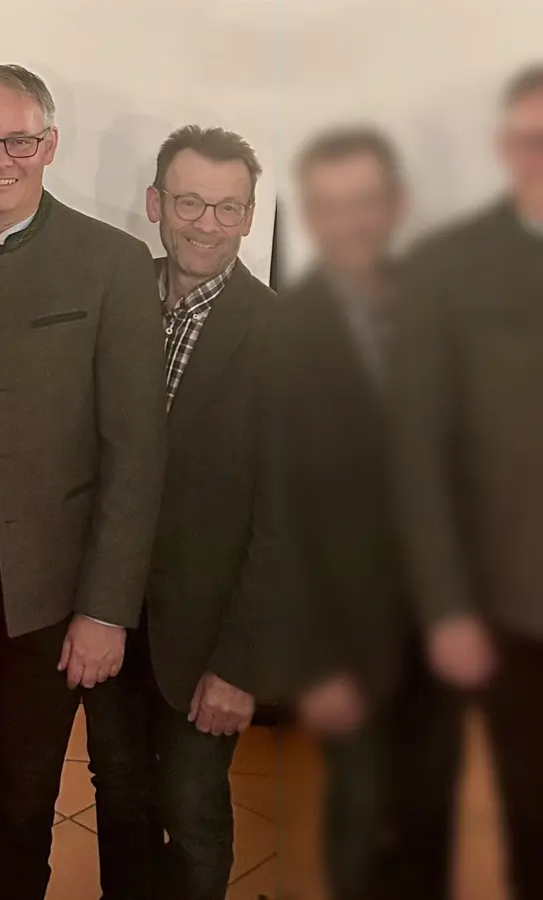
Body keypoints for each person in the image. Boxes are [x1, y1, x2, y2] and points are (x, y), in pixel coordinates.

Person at [0, 64, 168, 900]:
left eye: (19, 140)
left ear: (49, 147)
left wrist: (105, 609)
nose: (0, 158)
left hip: (48, 596)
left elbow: (136, 452)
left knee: (21, 803)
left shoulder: (113, 262)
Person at [85, 124, 279, 899]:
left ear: (250, 216)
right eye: (191, 202)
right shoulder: (115, 298)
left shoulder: (283, 337)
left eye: (227, 208)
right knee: (118, 795)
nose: (206, 223)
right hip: (107, 616)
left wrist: (241, 666)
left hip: (206, 639)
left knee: (192, 809)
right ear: (155, 203)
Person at [276, 126, 462, 900]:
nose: (348, 223)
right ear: (311, 217)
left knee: (429, 821)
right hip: (344, 639)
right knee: (360, 824)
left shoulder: (443, 311)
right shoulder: (284, 332)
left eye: (364, 203)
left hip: (444, 625)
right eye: (328, 207)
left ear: (397, 206)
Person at [392, 63, 543, 899]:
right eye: (531, 139)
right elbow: (417, 454)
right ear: (504, 148)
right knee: (521, 814)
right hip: (503, 605)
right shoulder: (449, 267)